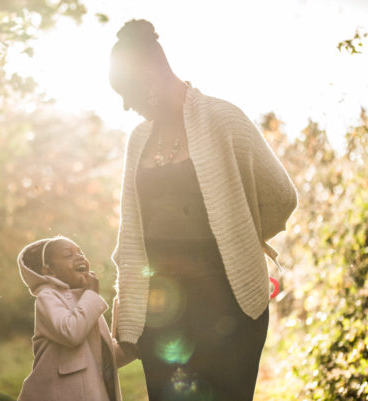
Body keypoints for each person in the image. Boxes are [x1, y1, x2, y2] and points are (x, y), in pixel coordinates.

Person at [108, 19, 298, 401]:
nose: (128, 107)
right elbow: (131, 230)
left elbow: (281, 196)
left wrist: (240, 232)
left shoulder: (223, 119)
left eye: (129, 93)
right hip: (161, 312)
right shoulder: (138, 139)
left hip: (227, 306)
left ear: (150, 77)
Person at [16, 235, 133, 401]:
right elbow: (70, 333)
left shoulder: (86, 300)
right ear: (49, 271)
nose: (79, 256)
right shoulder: (47, 296)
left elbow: (103, 358)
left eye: (80, 252)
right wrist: (91, 294)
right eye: (67, 255)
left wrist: (131, 348)